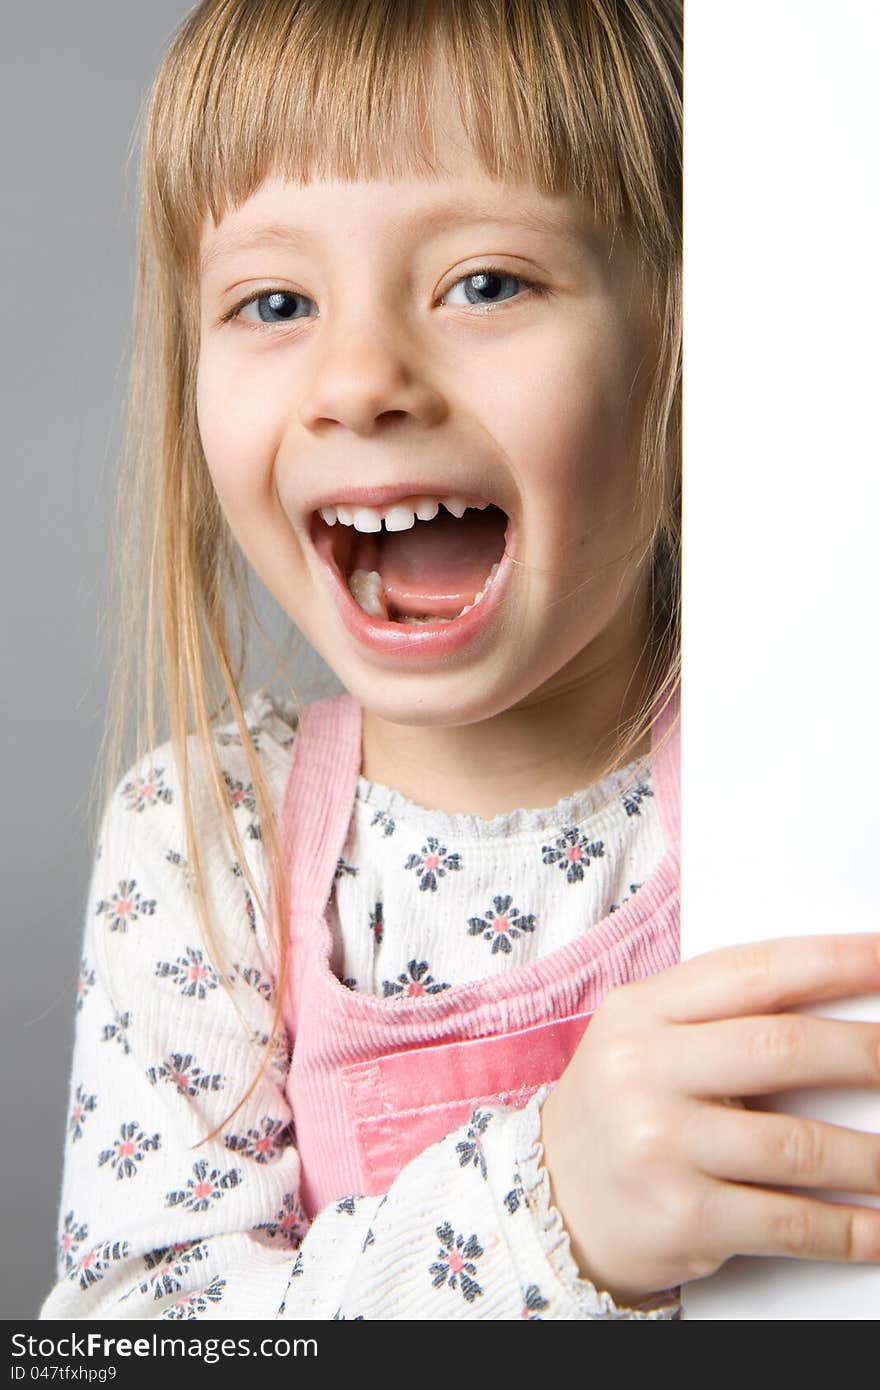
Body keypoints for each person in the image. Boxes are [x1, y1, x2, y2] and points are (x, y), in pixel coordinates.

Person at [41, 0, 880, 1322]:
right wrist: (555, 1209)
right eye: (274, 302)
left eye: (486, 282)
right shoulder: (206, 842)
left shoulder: (806, 766)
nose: (361, 377)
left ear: (681, 338)